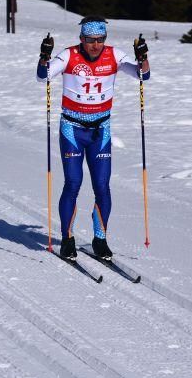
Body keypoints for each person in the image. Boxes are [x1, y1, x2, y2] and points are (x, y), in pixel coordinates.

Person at [37, 16, 150, 260]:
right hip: (72, 129)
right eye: (90, 40)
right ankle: (67, 239)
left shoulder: (114, 55)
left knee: (102, 185)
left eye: (100, 40)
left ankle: (100, 239)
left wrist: (142, 57)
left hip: (101, 130)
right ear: (82, 39)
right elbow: (43, 76)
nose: (95, 45)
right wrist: (44, 56)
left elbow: (143, 75)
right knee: (73, 182)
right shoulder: (69, 55)